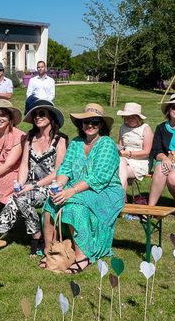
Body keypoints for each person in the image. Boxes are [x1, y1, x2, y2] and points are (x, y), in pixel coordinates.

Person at [42, 103, 124, 274]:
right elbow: (65, 168)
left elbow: (99, 177)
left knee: (73, 206)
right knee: (50, 203)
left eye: (95, 121)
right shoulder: (77, 143)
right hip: (80, 188)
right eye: (86, 121)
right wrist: (59, 186)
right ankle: (49, 250)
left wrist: (70, 191)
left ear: (101, 125)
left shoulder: (106, 144)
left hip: (106, 191)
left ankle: (82, 256)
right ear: (81, 124)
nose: (90, 125)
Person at [0, 100, 68, 255]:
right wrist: (20, 185)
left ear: (51, 117)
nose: (37, 117)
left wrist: (33, 186)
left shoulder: (60, 139)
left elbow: (57, 172)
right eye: (35, 114)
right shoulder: (29, 138)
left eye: (42, 113)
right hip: (30, 186)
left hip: (52, 186)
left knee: (21, 199)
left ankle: (35, 236)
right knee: (14, 199)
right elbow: (24, 166)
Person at [116, 102, 153, 189]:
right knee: (120, 166)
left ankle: (120, 199)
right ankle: (121, 198)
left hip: (141, 161)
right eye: (126, 117)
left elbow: (146, 153)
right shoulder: (123, 127)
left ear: (138, 118)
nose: (128, 119)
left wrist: (127, 154)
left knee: (119, 173)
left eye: (132, 117)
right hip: (124, 159)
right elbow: (120, 146)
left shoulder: (145, 129)